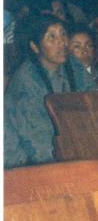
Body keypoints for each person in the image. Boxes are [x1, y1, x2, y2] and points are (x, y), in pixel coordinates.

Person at [4, 14, 85, 167]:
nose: (61, 42)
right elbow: (37, 143)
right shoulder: (26, 80)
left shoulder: (74, 67)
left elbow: (92, 106)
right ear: (35, 47)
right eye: (51, 37)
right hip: (25, 163)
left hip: (69, 153)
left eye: (63, 34)